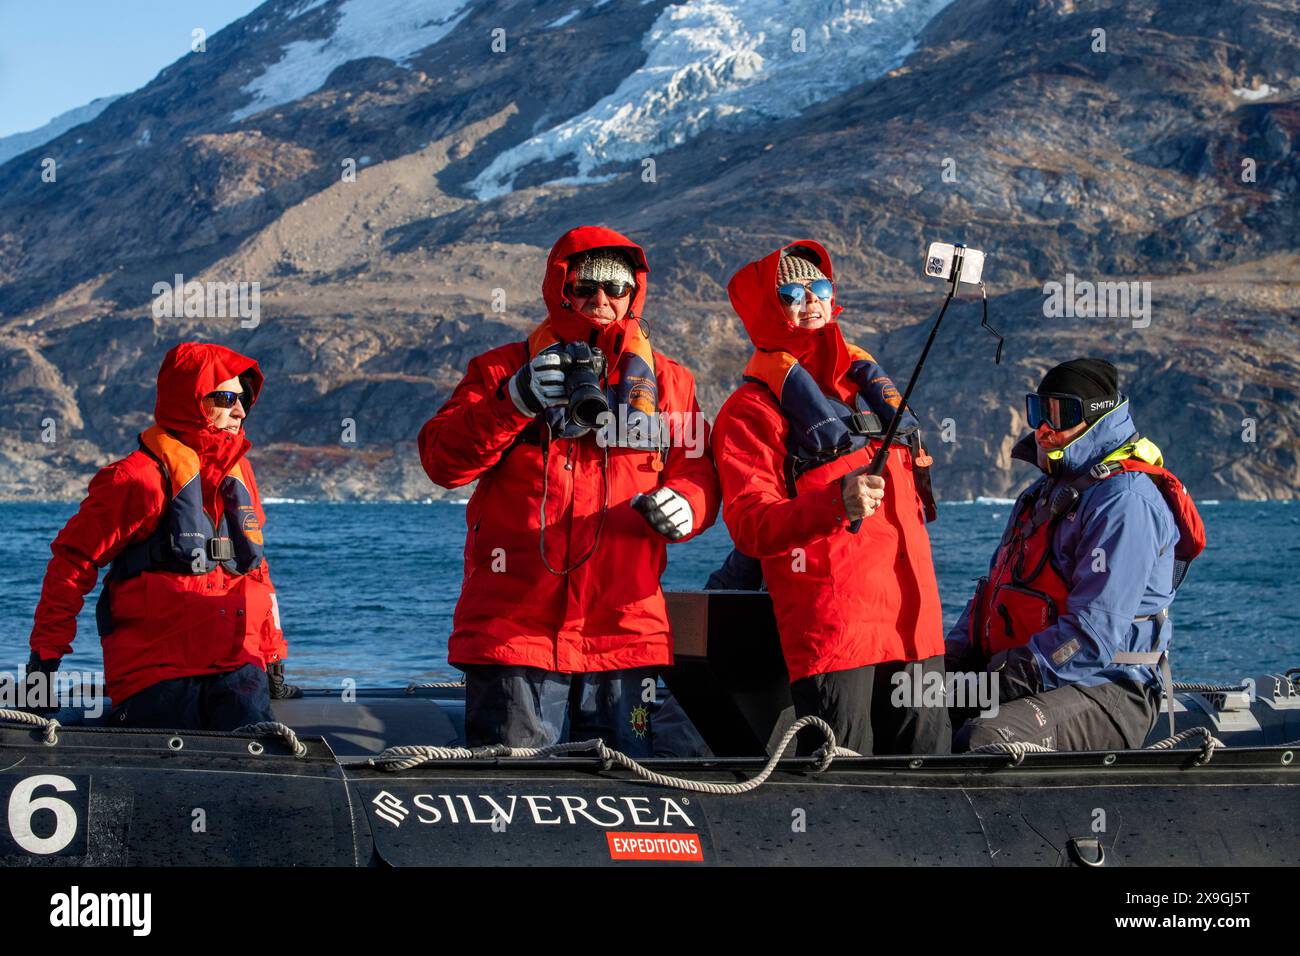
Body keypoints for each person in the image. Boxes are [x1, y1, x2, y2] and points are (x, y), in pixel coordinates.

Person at [418, 226, 720, 756]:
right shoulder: (499, 369)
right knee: (513, 800)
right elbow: (443, 462)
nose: (601, 301)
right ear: (561, 288)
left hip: (626, 633)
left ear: (634, 294)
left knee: (630, 799)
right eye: (586, 287)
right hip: (516, 634)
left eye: (617, 289)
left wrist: (688, 505)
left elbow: (698, 473)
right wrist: (511, 402)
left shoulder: (672, 383)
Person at [710, 240, 948, 756]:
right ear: (765, 309)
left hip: (916, 629)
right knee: (844, 788)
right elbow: (751, 526)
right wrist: (835, 503)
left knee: (932, 781)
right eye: (791, 292)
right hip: (836, 636)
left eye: (818, 287)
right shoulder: (750, 411)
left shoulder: (868, 392)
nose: (810, 300)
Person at [27, 342, 299, 731]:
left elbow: (255, 572)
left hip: (239, 672)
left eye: (244, 399)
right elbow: (72, 564)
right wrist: (45, 665)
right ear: (190, 398)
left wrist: (273, 658)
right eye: (225, 398)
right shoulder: (136, 479)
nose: (239, 411)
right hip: (157, 674)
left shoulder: (241, 476)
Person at [945, 358, 1205, 752]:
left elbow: (1093, 633)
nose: (1043, 428)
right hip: (1035, 673)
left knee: (987, 738)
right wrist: (949, 663)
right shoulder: (1040, 495)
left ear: (1097, 417)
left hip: (1109, 688)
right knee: (913, 703)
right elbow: (992, 594)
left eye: (1059, 413)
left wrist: (1006, 677)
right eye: (1038, 411)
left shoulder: (1125, 501)